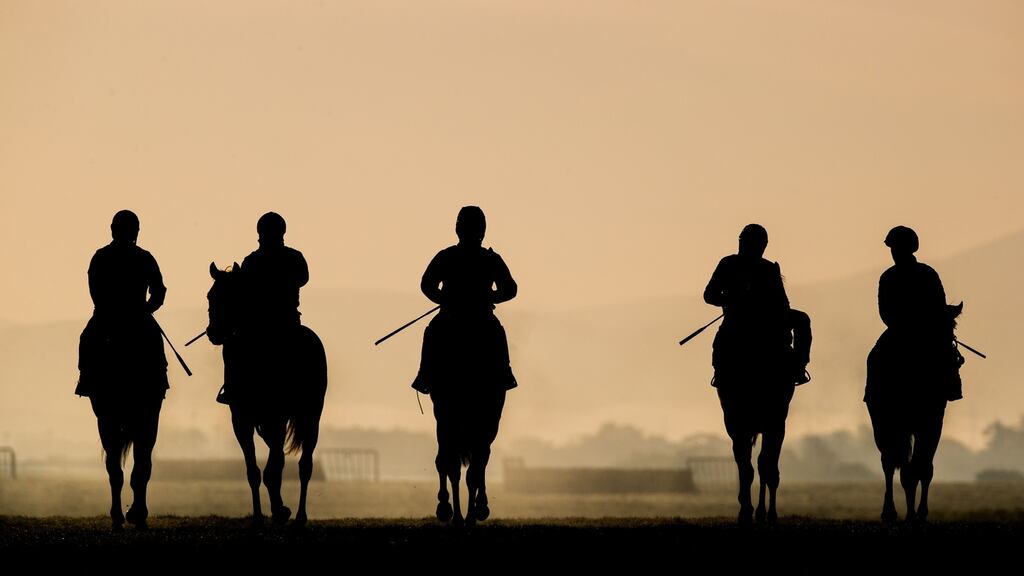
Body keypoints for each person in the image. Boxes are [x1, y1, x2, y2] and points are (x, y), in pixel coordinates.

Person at [412, 206, 517, 394]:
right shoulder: (486, 259)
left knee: (434, 332)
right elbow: (426, 284)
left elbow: (511, 289)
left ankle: (425, 375)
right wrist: (447, 299)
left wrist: (485, 297)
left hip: (457, 316)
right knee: (493, 333)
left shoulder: (451, 256)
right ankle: (503, 375)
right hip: (472, 315)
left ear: (458, 229)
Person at [216, 212, 308, 404]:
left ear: (260, 233)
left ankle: (231, 388)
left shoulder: (252, 260)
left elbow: (242, 292)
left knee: (233, 347)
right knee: (232, 346)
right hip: (288, 320)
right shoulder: (294, 257)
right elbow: (303, 279)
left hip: (263, 323)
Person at [867, 225, 962, 403]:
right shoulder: (923, 273)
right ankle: (951, 387)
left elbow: (885, 313)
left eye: (896, 248)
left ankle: (874, 396)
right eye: (893, 248)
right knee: (875, 358)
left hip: (906, 331)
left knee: (875, 359)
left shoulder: (894, 276)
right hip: (909, 330)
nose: (894, 252)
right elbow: (886, 312)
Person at [703, 224, 804, 386]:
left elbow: (782, 304)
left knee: (802, 320)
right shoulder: (729, 264)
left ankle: (799, 366)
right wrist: (730, 299)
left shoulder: (769, 268)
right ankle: (798, 368)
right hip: (738, 319)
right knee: (802, 321)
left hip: (763, 318)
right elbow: (709, 295)